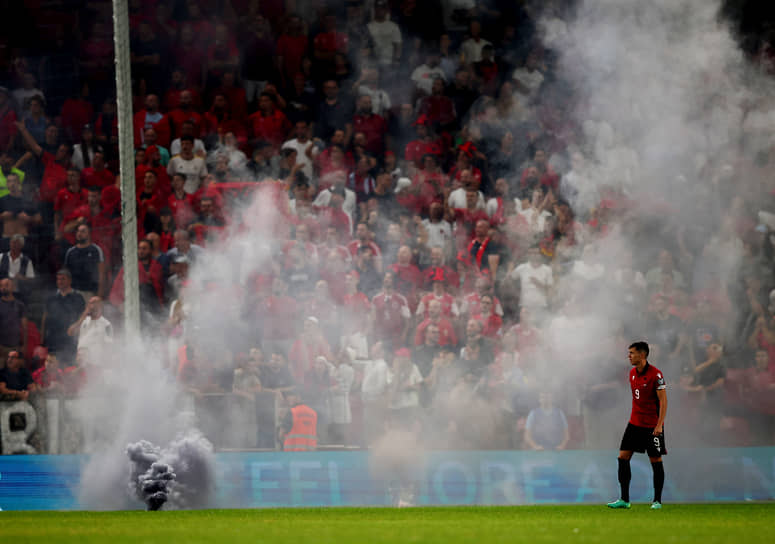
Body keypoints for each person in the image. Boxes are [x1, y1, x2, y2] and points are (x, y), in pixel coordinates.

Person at [608, 341, 667, 510]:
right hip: (634, 424)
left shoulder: (656, 375)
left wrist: (659, 425)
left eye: (632, 353)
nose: (629, 356)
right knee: (622, 458)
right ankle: (624, 500)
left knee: (655, 460)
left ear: (642, 355)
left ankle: (657, 501)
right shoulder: (632, 373)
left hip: (652, 425)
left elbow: (663, 401)